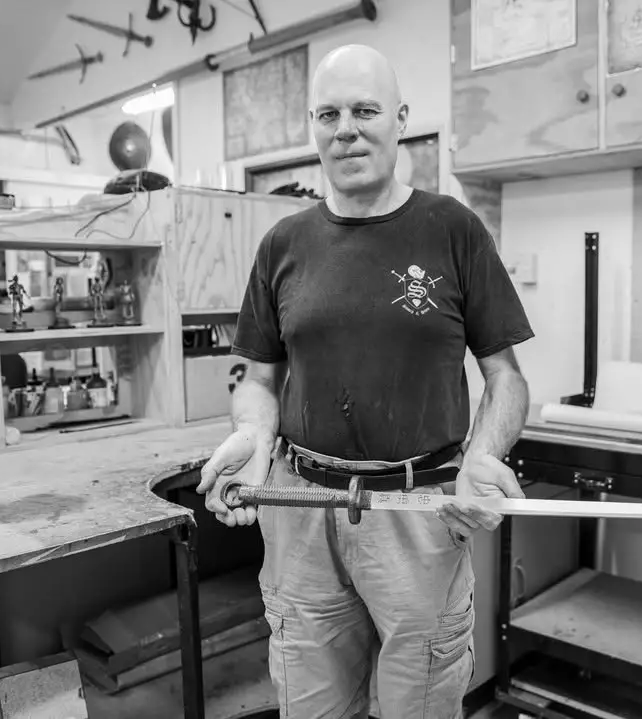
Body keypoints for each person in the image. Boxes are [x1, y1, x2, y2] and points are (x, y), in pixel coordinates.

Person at [196, 44, 535, 718]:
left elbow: (506, 379)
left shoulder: (453, 230)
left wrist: (483, 456)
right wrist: (252, 432)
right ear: (313, 130)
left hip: (420, 516)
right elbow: (259, 377)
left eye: (364, 109)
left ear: (400, 118)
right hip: (299, 513)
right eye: (328, 114)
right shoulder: (283, 244)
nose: (345, 128)